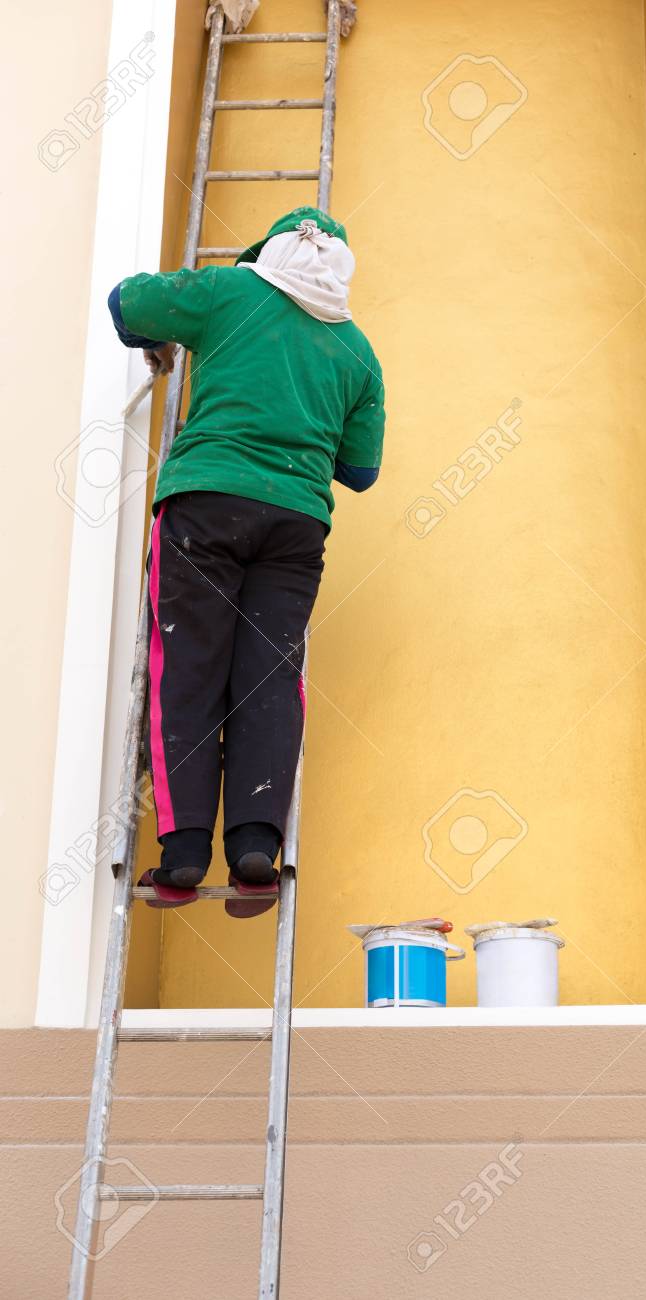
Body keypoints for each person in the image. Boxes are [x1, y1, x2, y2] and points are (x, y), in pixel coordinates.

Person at [108, 206, 385, 916]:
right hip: (295, 525)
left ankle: (185, 852)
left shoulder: (231, 292)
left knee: (189, 670)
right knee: (269, 676)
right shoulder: (357, 351)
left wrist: (163, 336)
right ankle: (257, 847)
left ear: (267, 254)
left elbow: (128, 301)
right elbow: (360, 471)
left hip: (205, 505)